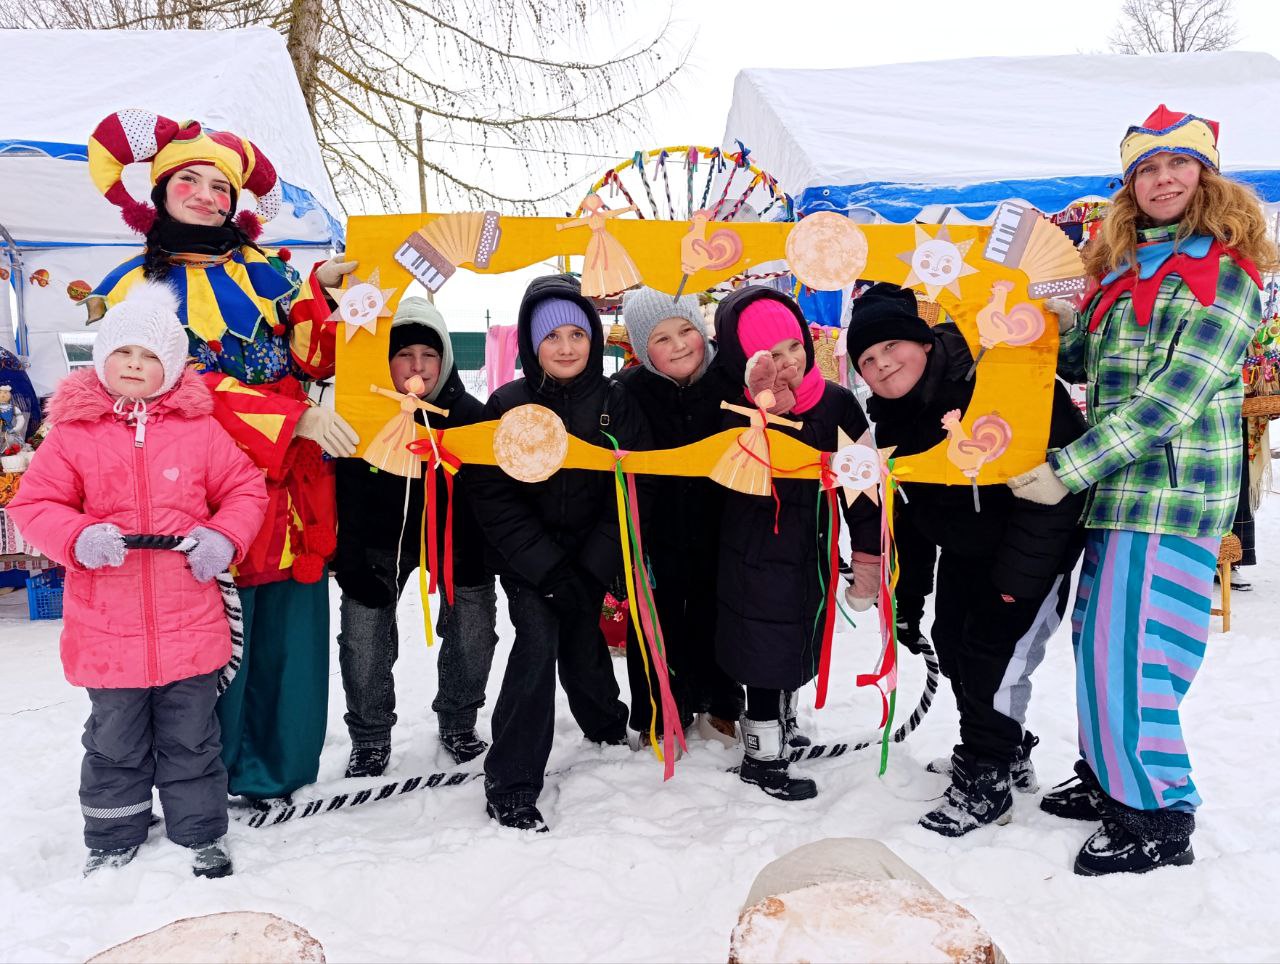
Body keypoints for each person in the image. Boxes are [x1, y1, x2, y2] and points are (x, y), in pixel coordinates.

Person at [1009, 105, 1278, 875]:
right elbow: (1087, 354)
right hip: (1119, 497)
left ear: (1207, 178)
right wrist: (1032, 321)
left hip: (1169, 496)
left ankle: (1157, 810)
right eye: (1147, 170)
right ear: (1131, 188)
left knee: (1134, 658)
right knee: (1101, 646)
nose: (1162, 180)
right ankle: (1108, 778)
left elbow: (1175, 398)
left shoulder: (1225, 275)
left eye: (1178, 166)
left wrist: (1069, 469)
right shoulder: (1129, 273)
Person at [83, 110, 360, 807]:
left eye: (222, 186)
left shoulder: (270, 271)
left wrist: (324, 294)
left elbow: (311, 357)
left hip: (294, 485)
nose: (209, 196)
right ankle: (210, 776)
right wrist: (292, 417)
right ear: (160, 187)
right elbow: (176, 380)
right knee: (215, 639)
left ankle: (279, 770)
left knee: (288, 634)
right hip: (199, 487)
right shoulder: (132, 287)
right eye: (192, 181)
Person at [8, 282, 267, 877]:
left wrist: (224, 537)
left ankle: (199, 831)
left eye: (150, 356)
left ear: (171, 368)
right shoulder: (73, 435)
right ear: (102, 359)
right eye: (124, 352)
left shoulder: (200, 432)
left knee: (192, 740)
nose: (134, 364)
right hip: (108, 629)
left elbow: (244, 490)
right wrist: (77, 537)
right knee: (114, 740)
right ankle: (113, 833)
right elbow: (34, 503)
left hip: (190, 623)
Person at [847, 283, 1087, 836]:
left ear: (924, 343)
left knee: (992, 664)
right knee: (956, 649)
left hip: (1029, 549)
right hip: (965, 551)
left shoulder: (998, 379)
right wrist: (907, 599)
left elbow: (1057, 483)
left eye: (890, 347)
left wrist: (1017, 579)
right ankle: (1005, 750)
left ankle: (986, 780)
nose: (882, 365)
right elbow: (908, 513)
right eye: (867, 359)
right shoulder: (893, 423)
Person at [467, 274, 648, 832]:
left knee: (582, 632)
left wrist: (591, 565)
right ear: (531, 344)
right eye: (552, 338)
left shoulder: (618, 402)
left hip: (593, 551)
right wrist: (546, 567)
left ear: (593, 337)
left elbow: (629, 486)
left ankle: (604, 720)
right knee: (540, 638)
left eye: (576, 333)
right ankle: (513, 780)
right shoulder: (507, 402)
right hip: (529, 561)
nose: (566, 347)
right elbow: (494, 497)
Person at [708, 287, 879, 801]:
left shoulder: (837, 402)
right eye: (770, 355)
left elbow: (863, 484)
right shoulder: (730, 405)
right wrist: (759, 411)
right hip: (752, 551)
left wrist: (867, 557)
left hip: (815, 550)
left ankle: (781, 719)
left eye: (793, 347)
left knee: (798, 639)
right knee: (764, 646)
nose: (787, 363)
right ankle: (762, 754)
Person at [333, 297, 497, 777]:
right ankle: (369, 736)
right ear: (387, 359)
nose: (417, 365)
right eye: (405, 354)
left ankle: (459, 721)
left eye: (429, 353)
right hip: (380, 542)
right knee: (363, 636)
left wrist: (477, 554)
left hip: (454, 543)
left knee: (474, 630)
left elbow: (488, 492)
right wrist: (351, 559)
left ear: (444, 359)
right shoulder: (363, 412)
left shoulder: (470, 413)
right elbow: (346, 488)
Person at [616, 287, 744, 751]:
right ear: (641, 348)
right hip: (657, 530)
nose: (679, 345)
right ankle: (657, 710)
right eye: (661, 338)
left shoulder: (731, 382)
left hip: (723, 526)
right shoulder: (630, 391)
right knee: (654, 622)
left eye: (686, 330)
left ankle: (723, 707)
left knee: (719, 615)